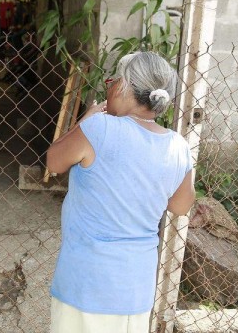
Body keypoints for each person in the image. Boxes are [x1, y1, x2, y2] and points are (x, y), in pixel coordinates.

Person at [46, 51, 195, 333]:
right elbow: (181, 206)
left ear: (124, 87)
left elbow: (54, 162)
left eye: (111, 80)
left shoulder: (99, 128)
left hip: (86, 285)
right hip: (134, 291)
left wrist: (84, 119)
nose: (108, 86)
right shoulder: (178, 147)